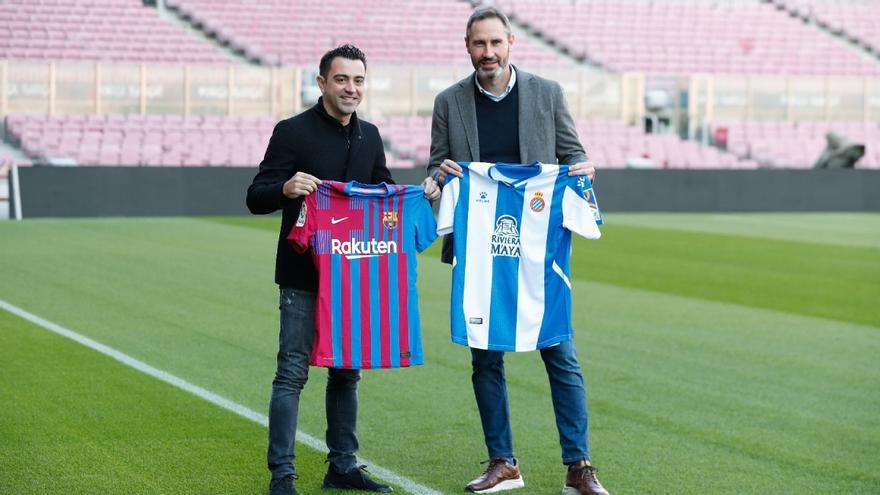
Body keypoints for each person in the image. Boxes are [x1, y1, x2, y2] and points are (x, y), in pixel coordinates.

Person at [421, 7, 609, 495]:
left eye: (495, 44)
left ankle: (579, 467)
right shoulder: (449, 102)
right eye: (479, 45)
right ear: (468, 47)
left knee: (560, 353)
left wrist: (582, 171)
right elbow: (437, 169)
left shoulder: (547, 94)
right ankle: (503, 461)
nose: (488, 53)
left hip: (537, 250)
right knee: (485, 359)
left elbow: (572, 155)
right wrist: (440, 178)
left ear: (511, 44)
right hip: (481, 250)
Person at [247, 44, 394, 495]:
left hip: (352, 277)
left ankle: (342, 466)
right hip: (302, 275)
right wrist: (286, 187)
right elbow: (256, 195)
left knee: (347, 373)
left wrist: (412, 195)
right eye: (342, 79)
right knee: (292, 372)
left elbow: (384, 192)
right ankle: (282, 476)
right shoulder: (291, 132)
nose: (351, 88)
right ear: (322, 83)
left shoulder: (370, 136)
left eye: (359, 81)